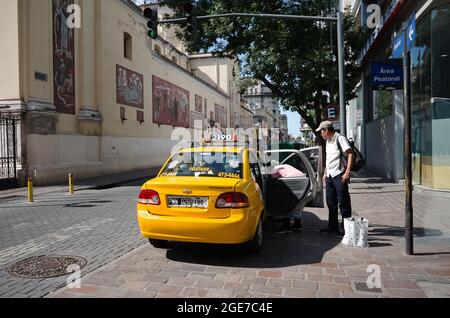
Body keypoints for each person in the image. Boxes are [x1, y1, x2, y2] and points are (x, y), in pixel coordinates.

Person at [316, 121, 354, 237]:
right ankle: (332, 227)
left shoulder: (340, 138)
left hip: (339, 174)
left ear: (326, 130)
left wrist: (347, 172)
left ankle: (345, 229)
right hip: (330, 176)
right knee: (331, 201)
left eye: (321, 131)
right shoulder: (328, 141)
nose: (321, 134)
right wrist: (325, 172)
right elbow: (329, 158)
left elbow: (350, 154)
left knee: (343, 201)